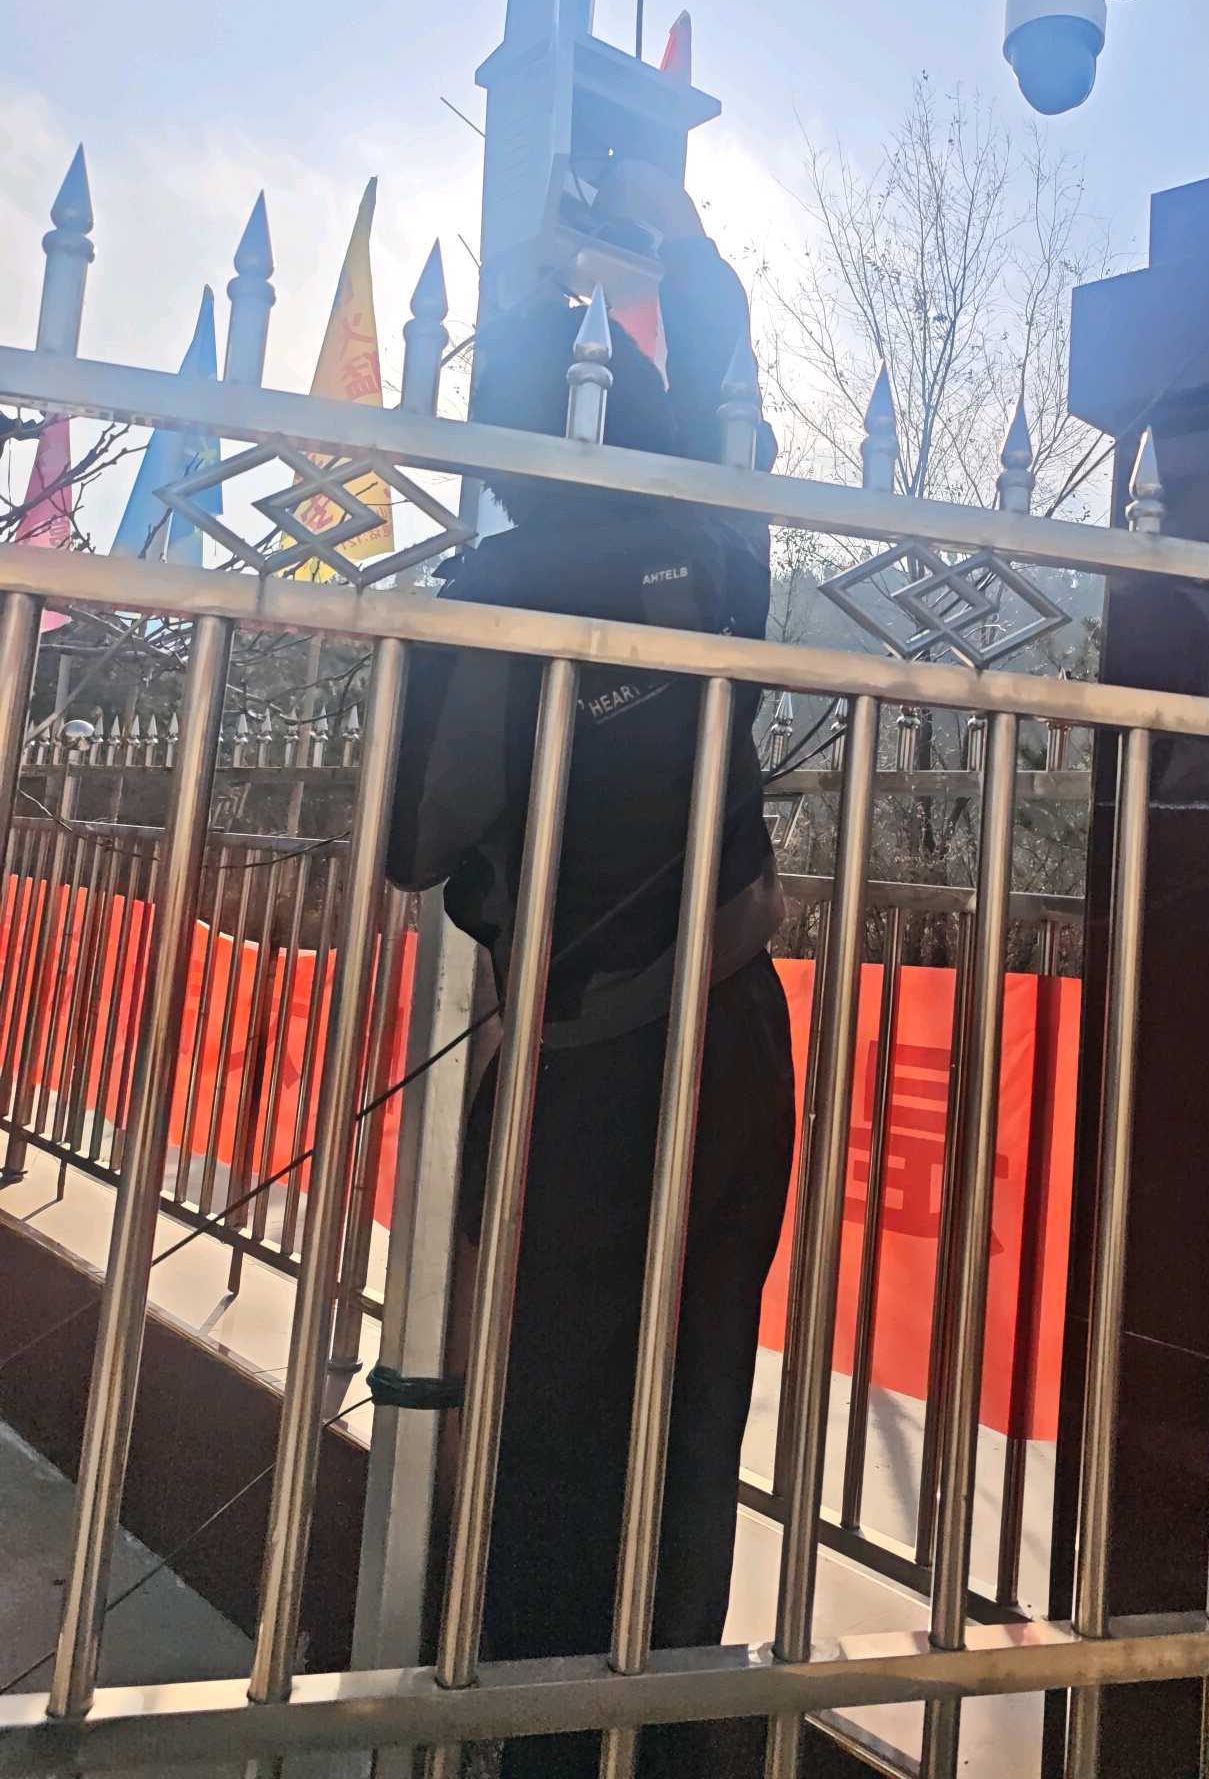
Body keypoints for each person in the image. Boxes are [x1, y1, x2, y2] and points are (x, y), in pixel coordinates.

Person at [386, 162, 794, 1778]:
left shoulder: (487, 597)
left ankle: (540, 1738)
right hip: (731, 1036)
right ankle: (667, 1722)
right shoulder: (721, 561)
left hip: (572, 1063)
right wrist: (682, 255)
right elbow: (738, 407)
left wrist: (525, 286)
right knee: (697, 1402)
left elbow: (417, 841)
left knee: (551, 1419)